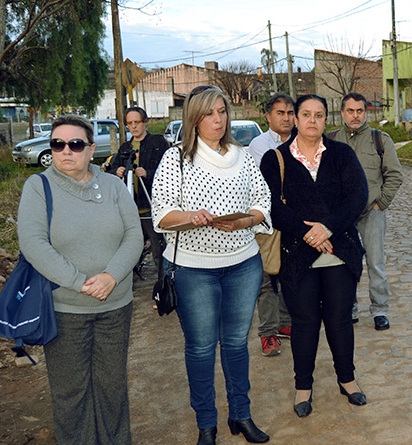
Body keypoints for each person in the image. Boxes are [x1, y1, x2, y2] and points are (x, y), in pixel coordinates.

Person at [152, 85, 272, 445]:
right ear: (193, 118)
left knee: (236, 344)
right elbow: (161, 214)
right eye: (209, 113)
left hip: (243, 264)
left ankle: (241, 415)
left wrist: (246, 220)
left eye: (222, 111)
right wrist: (191, 217)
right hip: (193, 270)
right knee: (202, 348)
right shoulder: (175, 159)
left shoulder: (243, 156)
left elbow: (263, 201)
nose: (217, 120)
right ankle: (207, 424)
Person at [18, 114, 143, 444]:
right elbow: (33, 243)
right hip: (65, 310)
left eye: (75, 144)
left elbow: (134, 235)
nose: (65, 151)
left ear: (90, 150)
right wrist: (80, 283)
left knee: (112, 387)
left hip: (115, 307)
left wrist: (111, 277)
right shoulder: (38, 187)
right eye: (57, 144)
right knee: (71, 393)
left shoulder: (113, 186)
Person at [259, 94, 369, 419]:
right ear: (295, 118)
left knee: (340, 320)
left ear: (326, 119)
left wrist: (328, 228)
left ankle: (347, 379)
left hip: (339, 250)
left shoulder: (342, 154)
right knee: (304, 323)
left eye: (318, 115)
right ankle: (303, 387)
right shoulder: (275, 159)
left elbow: (357, 196)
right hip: (297, 254)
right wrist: (309, 233)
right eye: (305, 114)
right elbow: (270, 205)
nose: (312, 120)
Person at [328, 91, 404, 330]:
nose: (355, 115)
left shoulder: (380, 139)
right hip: (342, 216)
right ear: (342, 113)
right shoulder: (330, 140)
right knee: (345, 264)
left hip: (372, 212)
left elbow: (395, 174)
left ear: (365, 112)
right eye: (350, 111)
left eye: (359, 111)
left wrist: (381, 203)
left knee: (375, 263)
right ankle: (349, 309)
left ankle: (380, 310)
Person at [247, 92, 295, 357]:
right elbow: (264, 187)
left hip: (294, 222)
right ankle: (268, 333)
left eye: (290, 113)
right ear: (268, 116)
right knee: (267, 279)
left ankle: (285, 323)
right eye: (280, 113)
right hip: (267, 222)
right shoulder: (260, 144)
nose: (286, 118)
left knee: (290, 275)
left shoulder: (301, 140)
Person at [107, 106, 170, 281]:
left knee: (159, 251)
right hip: (130, 209)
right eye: (130, 123)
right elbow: (110, 171)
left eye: (137, 122)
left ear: (145, 122)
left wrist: (148, 173)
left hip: (151, 207)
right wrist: (117, 171)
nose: (134, 126)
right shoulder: (125, 147)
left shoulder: (158, 143)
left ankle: (165, 285)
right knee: (129, 249)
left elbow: (168, 172)